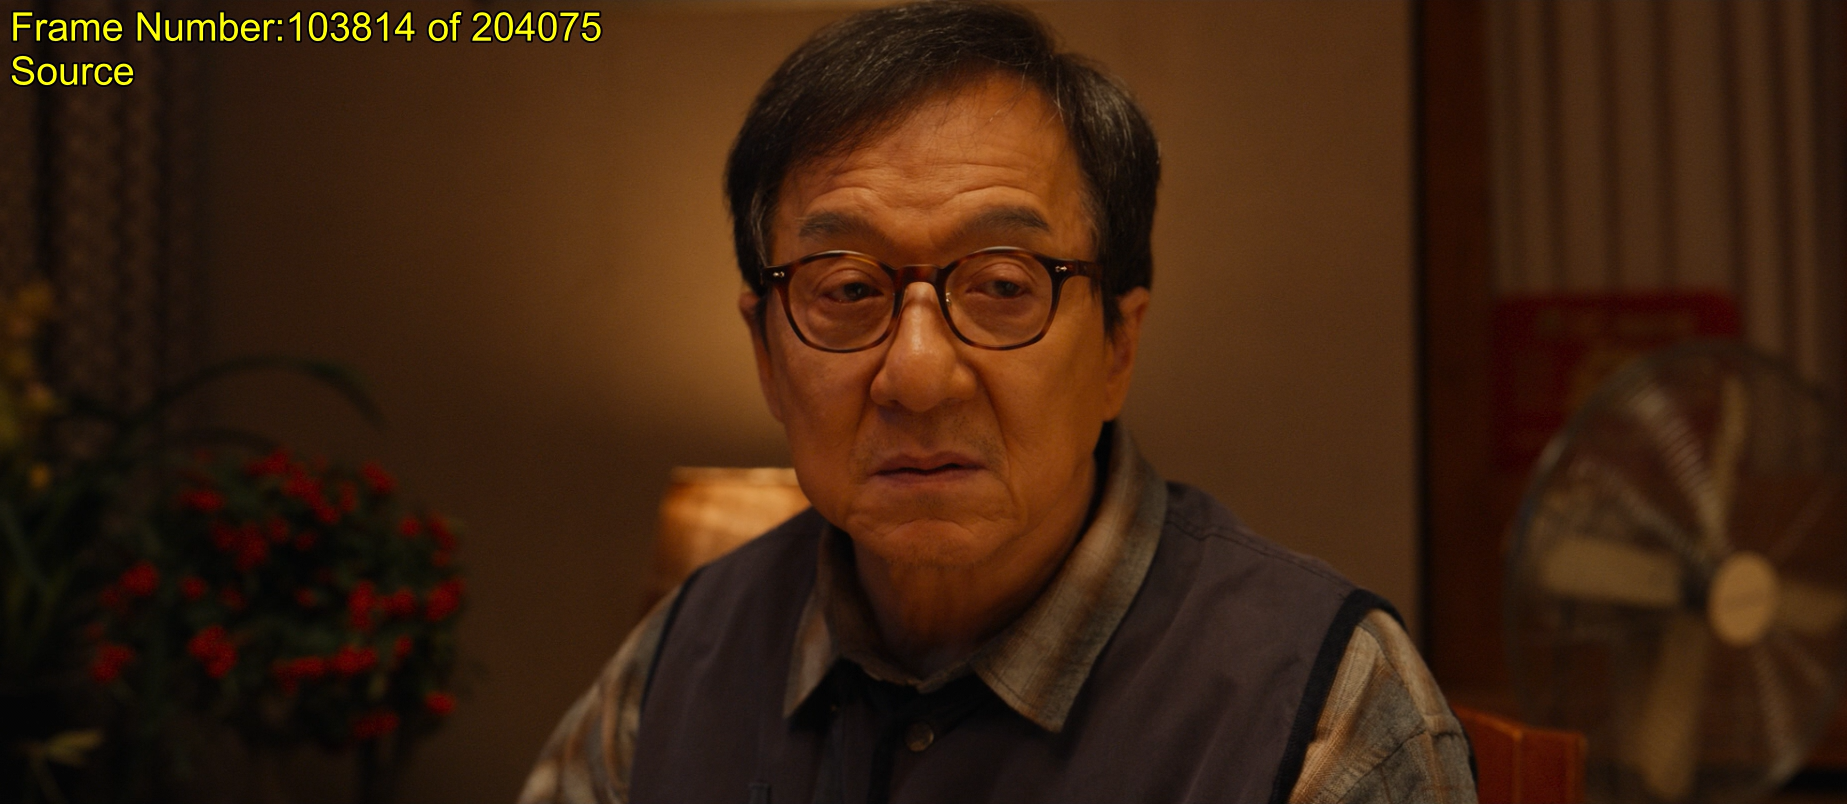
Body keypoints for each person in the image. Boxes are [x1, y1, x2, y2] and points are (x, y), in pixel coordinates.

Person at [519, 2, 1474, 802]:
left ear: (1118, 345)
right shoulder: (684, 657)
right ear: (765, 355)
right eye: (847, 288)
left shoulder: (1315, 704)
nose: (918, 374)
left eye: (1004, 285)